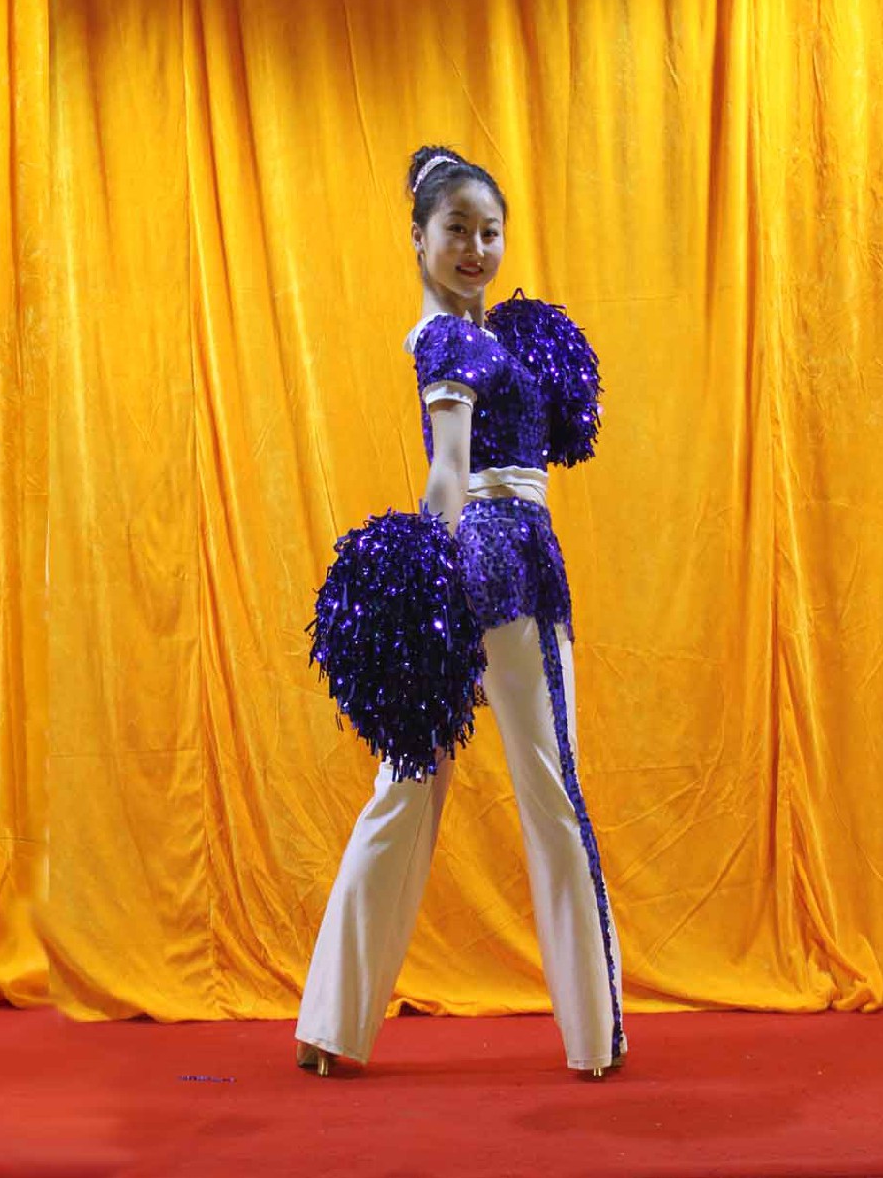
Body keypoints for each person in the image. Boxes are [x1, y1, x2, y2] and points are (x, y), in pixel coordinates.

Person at [293, 145, 626, 1079]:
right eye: (457, 230)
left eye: (489, 232)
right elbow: (447, 472)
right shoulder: (449, 341)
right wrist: (427, 569)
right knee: (552, 788)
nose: (476, 248)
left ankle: (329, 1025)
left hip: (471, 564)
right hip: (507, 562)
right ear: (418, 237)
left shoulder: (479, 336)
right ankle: (595, 1034)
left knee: (407, 784)